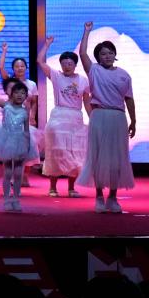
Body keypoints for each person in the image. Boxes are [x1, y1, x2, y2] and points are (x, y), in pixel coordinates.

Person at [76, 21, 136, 213]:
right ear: (98, 58)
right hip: (99, 116)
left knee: (117, 158)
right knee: (99, 157)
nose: (108, 56)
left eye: (110, 53)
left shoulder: (124, 75)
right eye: (103, 54)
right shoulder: (94, 70)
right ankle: (99, 197)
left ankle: (113, 198)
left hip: (118, 118)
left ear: (115, 55)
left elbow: (129, 98)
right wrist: (87, 31)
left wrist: (133, 120)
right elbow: (82, 54)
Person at [37, 36, 91, 198]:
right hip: (59, 117)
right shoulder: (56, 76)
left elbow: (86, 101)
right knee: (56, 152)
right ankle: (52, 187)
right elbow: (40, 61)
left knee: (75, 153)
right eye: (64, 63)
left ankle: (71, 188)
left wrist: (93, 118)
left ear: (75, 64)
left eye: (70, 63)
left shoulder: (83, 80)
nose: (67, 66)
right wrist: (47, 44)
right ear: (60, 64)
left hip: (76, 118)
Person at [0, 75, 38, 212]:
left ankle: (16, 199)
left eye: (22, 93)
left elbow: (26, 130)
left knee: (19, 173)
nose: (19, 95)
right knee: (8, 173)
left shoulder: (25, 110)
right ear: (11, 93)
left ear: (26, 95)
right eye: (16, 92)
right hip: (6, 140)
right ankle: (7, 199)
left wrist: (27, 145)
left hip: (20, 141)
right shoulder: (6, 105)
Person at [0, 42, 40, 185]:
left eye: (22, 66)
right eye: (17, 66)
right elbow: (1, 68)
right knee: (12, 148)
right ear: (13, 69)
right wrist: (4, 51)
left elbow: (34, 102)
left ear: (26, 68)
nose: (20, 68)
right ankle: (12, 176)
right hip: (12, 119)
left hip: (26, 119)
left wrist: (33, 116)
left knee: (29, 147)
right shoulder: (10, 82)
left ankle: (24, 176)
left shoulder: (32, 84)